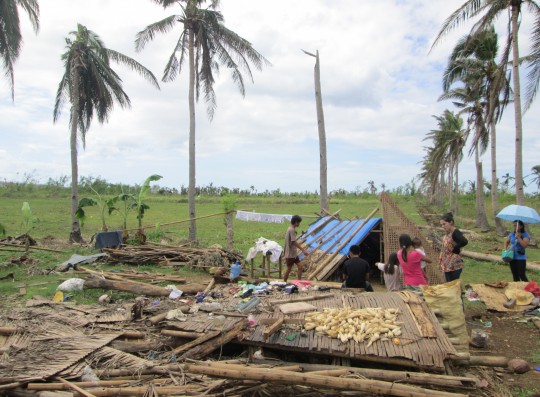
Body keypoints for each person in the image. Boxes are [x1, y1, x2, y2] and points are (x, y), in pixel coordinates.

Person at [439, 212, 468, 282]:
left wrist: (456, 248)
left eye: (444, 224)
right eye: (441, 225)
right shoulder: (448, 232)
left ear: (451, 222)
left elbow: (464, 241)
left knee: (453, 286)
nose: (442, 226)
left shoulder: (455, 233)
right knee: (449, 285)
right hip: (447, 265)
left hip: (454, 266)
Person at [283, 215, 308, 282]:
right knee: (289, 269)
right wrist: (303, 250)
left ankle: (299, 282)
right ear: (296, 222)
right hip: (290, 254)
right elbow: (293, 241)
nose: (299, 224)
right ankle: (284, 282)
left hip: (293, 254)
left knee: (300, 266)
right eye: (299, 222)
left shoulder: (290, 229)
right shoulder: (291, 230)